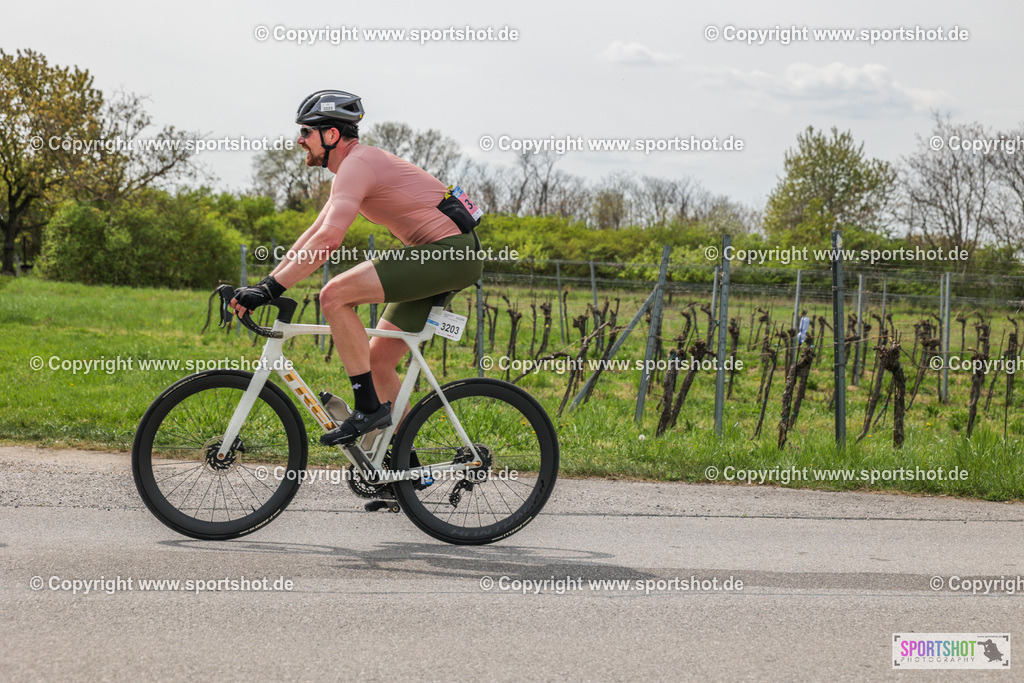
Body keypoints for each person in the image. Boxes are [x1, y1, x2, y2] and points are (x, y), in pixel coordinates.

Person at [230, 89, 483, 447]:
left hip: (450, 254)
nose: (300, 140)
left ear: (331, 135)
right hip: (446, 256)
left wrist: (271, 290)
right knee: (378, 361)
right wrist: (267, 284)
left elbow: (329, 243)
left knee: (334, 295)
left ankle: (367, 408)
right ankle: (400, 467)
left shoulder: (357, 165)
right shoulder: (351, 171)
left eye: (306, 132)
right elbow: (312, 236)